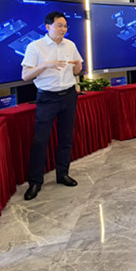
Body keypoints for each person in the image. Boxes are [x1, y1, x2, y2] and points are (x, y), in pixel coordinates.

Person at [21, 11, 84, 201]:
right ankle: (35, 182)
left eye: (65, 26)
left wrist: (78, 65)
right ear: (47, 26)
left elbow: (76, 71)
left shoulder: (70, 44)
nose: (63, 29)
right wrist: (46, 65)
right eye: (59, 25)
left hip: (69, 95)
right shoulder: (35, 47)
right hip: (47, 98)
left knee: (66, 138)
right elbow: (25, 76)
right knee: (40, 140)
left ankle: (62, 174)